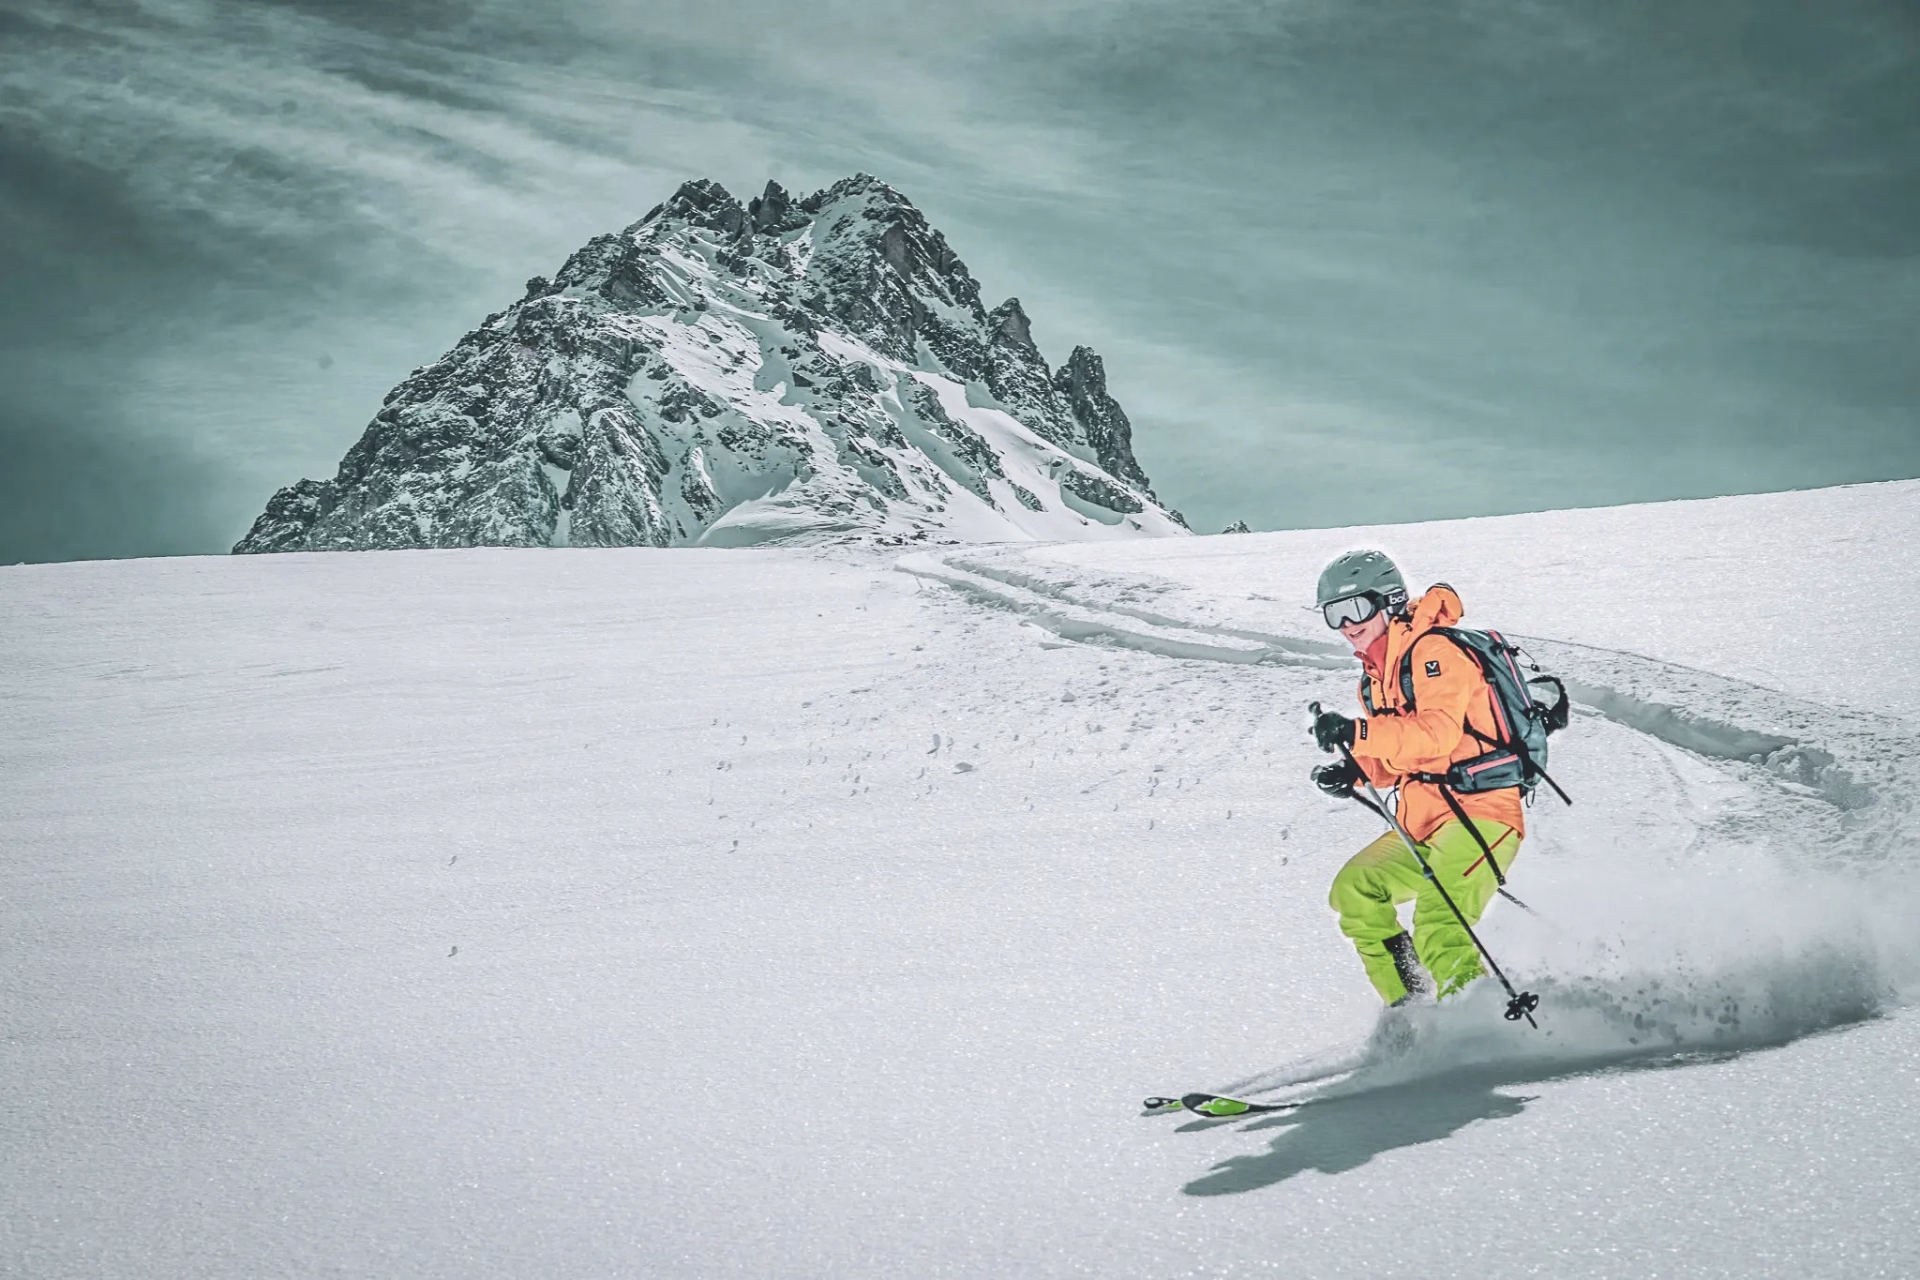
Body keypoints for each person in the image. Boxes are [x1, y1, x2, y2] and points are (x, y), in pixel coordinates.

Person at [1306, 550, 1524, 1006]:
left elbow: (1437, 736)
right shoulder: (1375, 678)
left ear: (1388, 601)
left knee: (1438, 923)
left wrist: (1356, 731)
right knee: (1355, 890)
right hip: (1424, 821)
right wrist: (1355, 769)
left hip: (1481, 813)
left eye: (1356, 609)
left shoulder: (1434, 651)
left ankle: (1476, 1028)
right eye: (1334, 614)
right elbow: (1399, 758)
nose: (1347, 624)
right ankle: (1411, 1006)